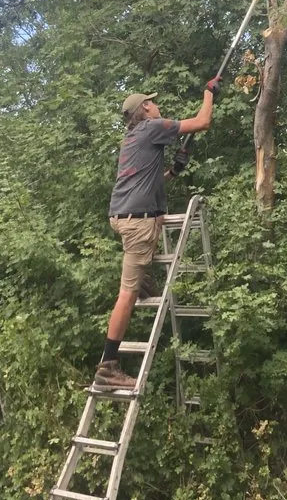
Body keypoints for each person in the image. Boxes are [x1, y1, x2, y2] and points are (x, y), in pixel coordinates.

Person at [93, 79, 221, 391]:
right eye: (151, 101)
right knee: (127, 292)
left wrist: (173, 171)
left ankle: (144, 281)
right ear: (145, 108)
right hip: (137, 223)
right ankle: (108, 366)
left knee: (144, 250)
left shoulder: (133, 138)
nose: (156, 103)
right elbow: (202, 122)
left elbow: (149, 182)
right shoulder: (152, 127)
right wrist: (209, 93)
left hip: (122, 216)